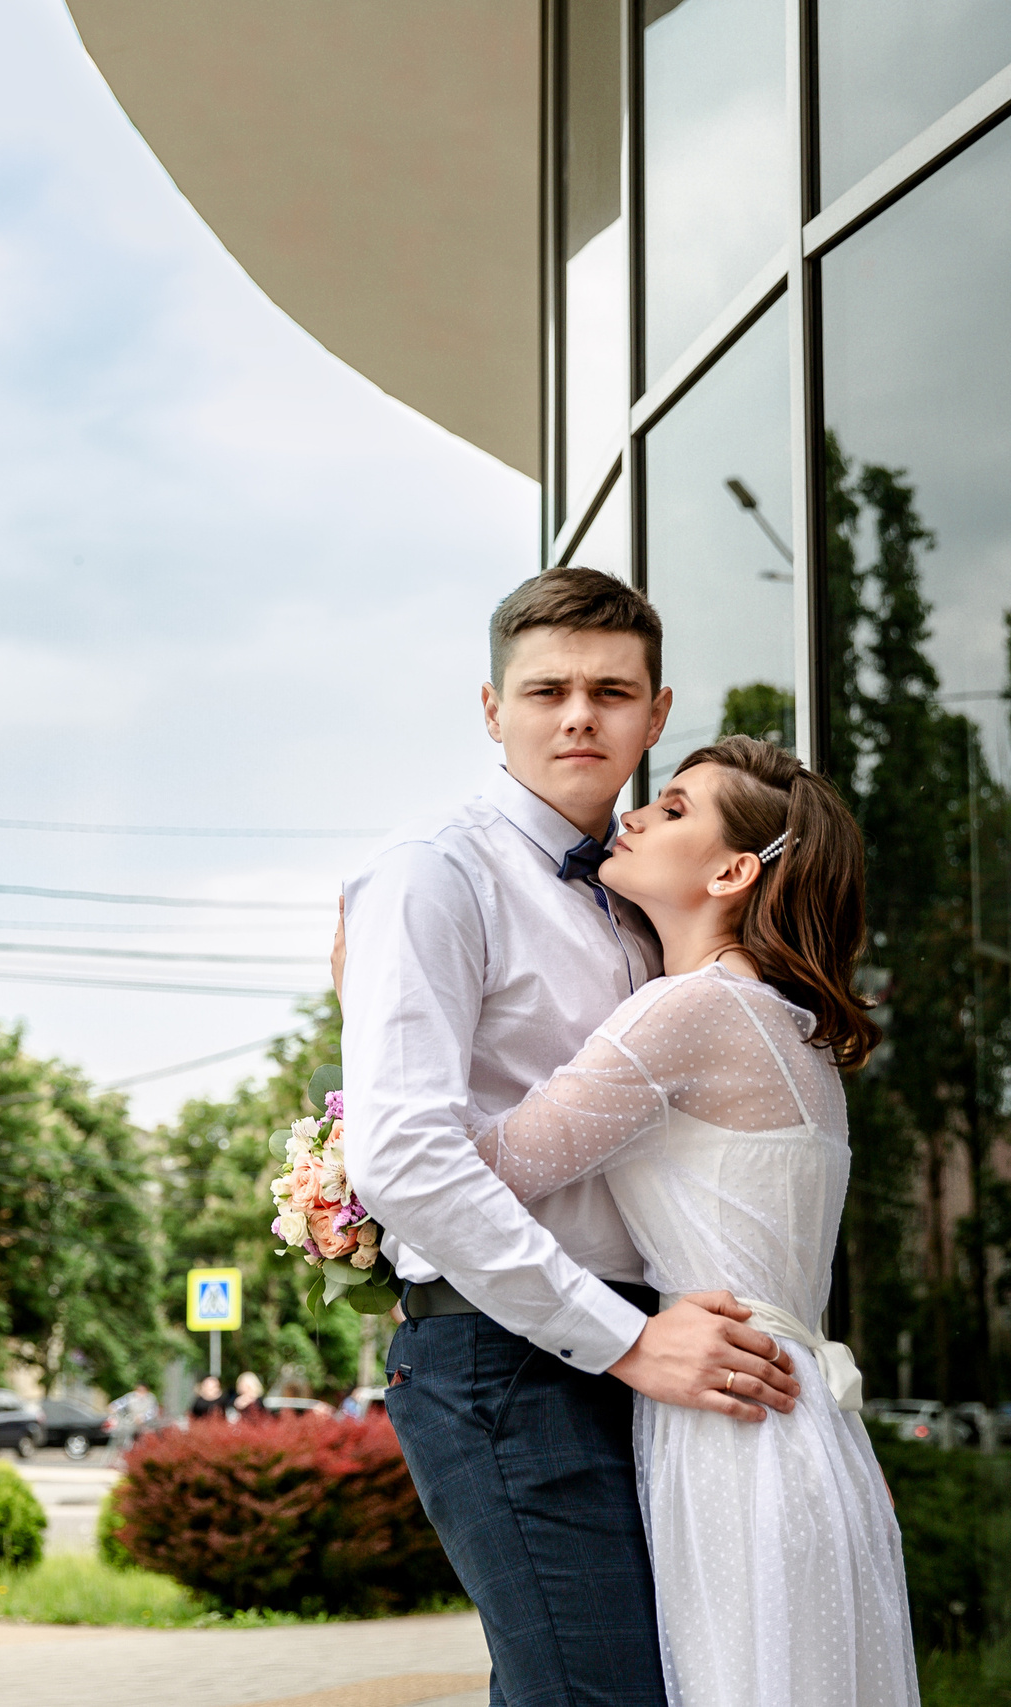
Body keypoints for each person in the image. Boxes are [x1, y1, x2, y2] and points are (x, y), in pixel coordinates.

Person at [343, 568, 802, 1707]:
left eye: (612, 690)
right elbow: (402, 1158)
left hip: (647, 1357)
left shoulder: (651, 899)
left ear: (656, 713)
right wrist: (626, 1342)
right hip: (505, 1359)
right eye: (545, 689)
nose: (579, 715)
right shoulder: (433, 873)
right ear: (493, 711)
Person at [466, 735, 913, 1706]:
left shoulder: (690, 1012)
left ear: (731, 870)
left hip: (730, 1436)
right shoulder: (783, 1027)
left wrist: (373, 1009)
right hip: (800, 1437)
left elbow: (485, 1170)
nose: (631, 814)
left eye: (670, 809)